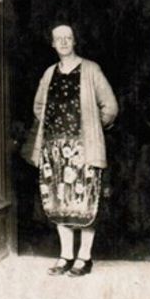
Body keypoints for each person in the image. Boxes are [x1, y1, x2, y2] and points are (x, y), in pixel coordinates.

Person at [29, 25, 118, 277]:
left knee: (85, 202)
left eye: (68, 38)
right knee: (59, 202)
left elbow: (110, 106)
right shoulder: (49, 73)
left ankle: (84, 257)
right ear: (53, 44)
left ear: (75, 41)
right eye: (59, 39)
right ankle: (65, 255)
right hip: (54, 149)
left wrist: (93, 129)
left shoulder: (91, 69)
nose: (64, 42)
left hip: (83, 148)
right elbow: (38, 106)